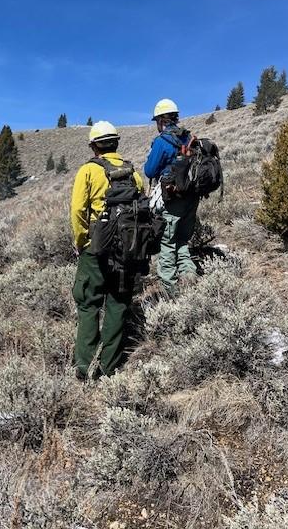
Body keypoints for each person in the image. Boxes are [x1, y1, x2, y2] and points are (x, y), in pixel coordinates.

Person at [71, 121, 144, 381]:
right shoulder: (133, 173)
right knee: (118, 303)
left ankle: (85, 368)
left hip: (96, 248)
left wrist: (81, 241)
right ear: (116, 143)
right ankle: (109, 367)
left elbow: (78, 210)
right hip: (127, 248)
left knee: (89, 303)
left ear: (94, 146)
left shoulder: (88, 171)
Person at [144, 99, 199, 295]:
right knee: (182, 241)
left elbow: (150, 171)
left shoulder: (162, 141)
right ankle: (190, 280)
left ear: (160, 120)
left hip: (172, 198)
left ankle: (171, 292)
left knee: (167, 243)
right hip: (192, 197)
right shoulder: (189, 137)